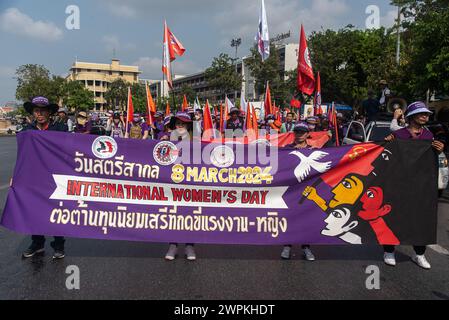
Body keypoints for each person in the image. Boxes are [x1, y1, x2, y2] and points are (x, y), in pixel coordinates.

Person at [384, 101, 445, 269]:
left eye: (427, 114)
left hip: (421, 187)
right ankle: (388, 251)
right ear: (411, 116)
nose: (426, 116)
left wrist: (440, 150)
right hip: (398, 186)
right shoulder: (399, 135)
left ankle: (419, 254)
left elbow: (433, 161)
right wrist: (387, 143)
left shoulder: (429, 137)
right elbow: (386, 158)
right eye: (422, 113)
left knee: (422, 220)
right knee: (394, 219)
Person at [20, 96, 67, 259]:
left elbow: (68, 152)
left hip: (55, 178)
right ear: (33, 113)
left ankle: (59, 244)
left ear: (49, 113)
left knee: (56, 210)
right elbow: (22, 156)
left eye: (42, 111)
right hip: (34, 178)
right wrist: (16, 176)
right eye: (36, 111)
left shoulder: (60, 129)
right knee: (34, 211)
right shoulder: (27, 131)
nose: (39, 114)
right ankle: (37, 242)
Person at [281, 122, 316, 261]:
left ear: (308, 134)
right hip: (290, 190)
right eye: (297, 132)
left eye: (302, 132)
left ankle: (306, 248)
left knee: (306, 220)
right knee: (289, 218)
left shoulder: (314, 150)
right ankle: (287, 246)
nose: (299, 134)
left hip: (307, 189)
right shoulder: (285, 149)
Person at [164, 112, 197, 261]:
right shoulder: (166, 140)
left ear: (189, 125)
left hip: (191, 183)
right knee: (173, 214)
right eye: (178, 123)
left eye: (183, 123)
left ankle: (189, 245)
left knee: (190, 214)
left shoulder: (197, 140)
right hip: (172, 184)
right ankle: (173, 245)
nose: (180, 126)